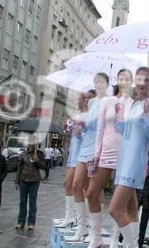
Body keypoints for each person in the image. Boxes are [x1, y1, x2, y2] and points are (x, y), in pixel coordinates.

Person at [108, 66, 149, 248]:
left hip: (135, 162)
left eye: (146, 80)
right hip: (124, 159)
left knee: (114, 209)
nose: (142, 84)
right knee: (131, 210)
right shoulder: (134, 103)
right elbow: (126, 132)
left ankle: (131, 244)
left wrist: (146, 116)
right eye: (139, 80)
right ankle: (133, 244)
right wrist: (120, 117)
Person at [86, 69, 133, 248]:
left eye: (127, 78)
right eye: (121, 78)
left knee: (120, 201)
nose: (124, 81)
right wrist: (97, 153)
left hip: (124, 154)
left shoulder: (134, 103)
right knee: (91, 192)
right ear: (117, 81)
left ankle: (115, 238)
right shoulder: (107, 101)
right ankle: (95, 235)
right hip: (106, 152)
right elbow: (100, 128)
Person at [70, 73, 108, 242]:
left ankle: (95, 230)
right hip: (84, 148)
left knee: (93, 191)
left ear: (107, 84)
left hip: (97, 150)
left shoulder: (110, 101)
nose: (98, 85)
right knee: (76, 185)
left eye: (101, 82)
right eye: (96, 82)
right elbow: (84, 124)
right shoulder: (90, 103)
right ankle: (81, 227)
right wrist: (80, 121)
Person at [56, 90, 95, 229]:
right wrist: (72, 124)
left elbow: (88, 135)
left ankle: (84, 220)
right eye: (84, 98)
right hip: (73, 154)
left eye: (88, 99)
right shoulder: (78, 114)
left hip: (83, 154)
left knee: (80, 186)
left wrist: (78, 127)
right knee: (69, 184)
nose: (85, 101)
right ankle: (71, 217)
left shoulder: (91, 115)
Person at [15, 135, 46, 230]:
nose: (33, 144)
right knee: (22, 202)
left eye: (34, 142)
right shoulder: (23, 154)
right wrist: (17, 181)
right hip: (23, 180)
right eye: (31, 142)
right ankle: (20, 222)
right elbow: (19, 168)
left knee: (32, 202)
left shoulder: (39, 154)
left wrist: (37, 160)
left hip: (34, 181)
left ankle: (31, 223)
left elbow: (44, 166)